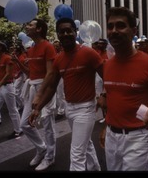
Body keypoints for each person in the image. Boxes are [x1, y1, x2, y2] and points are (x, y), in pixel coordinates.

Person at [98, 6, 148, 171]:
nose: (114, 30)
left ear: (133, 31)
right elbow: (114, 101)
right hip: (112, 139)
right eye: (110, 26)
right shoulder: (107, 65)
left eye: (120, 25)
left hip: (139, 139)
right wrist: (107, 127)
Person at [29, 17, 103, 171]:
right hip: (69, 109)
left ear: (76, 33)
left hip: (86, 109)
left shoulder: (89, 53)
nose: (65, 34)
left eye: (69, 30)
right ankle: (95, 168)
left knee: (76, 154)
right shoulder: (58, 59)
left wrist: (105, 95)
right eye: (61, 31)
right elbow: (51, 88)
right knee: (86, 144)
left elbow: (107, 76)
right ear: (57, 34)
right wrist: (38, 108)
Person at [13, 19, 57, 171]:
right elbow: (29, 73)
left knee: (47, 125)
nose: (27, 26)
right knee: (24, 124)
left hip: (45, 87)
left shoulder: (48, 46)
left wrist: (41, 93)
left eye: (31, 25)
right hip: (32, 86)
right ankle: (42, 149)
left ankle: (50, 157)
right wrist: (18, 63)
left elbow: (51, 73)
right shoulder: (30, 49)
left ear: (39, 29)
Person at [53, 39, 66, 121]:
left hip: (62, 76)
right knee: (58, 94)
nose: (56, 47)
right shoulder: (56, 54)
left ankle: (61, 111)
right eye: (55, 46)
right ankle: (62, 109)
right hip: (57, 76)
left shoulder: (62, 54)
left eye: (57, 46)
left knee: (60, 94)